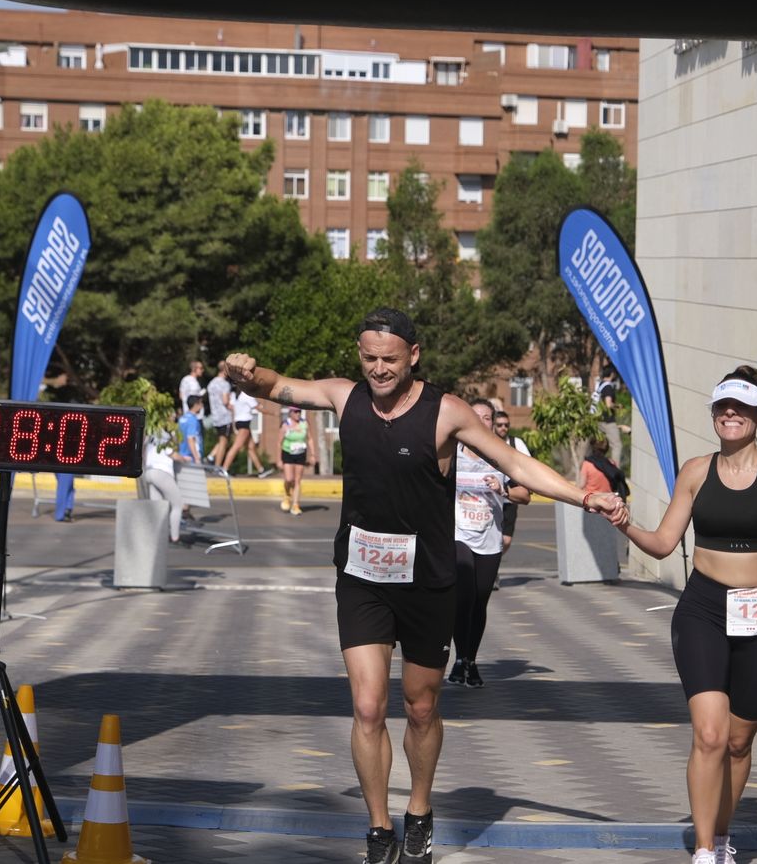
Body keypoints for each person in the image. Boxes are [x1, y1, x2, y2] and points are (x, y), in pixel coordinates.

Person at [223, 307, 624, 864]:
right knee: (367, 708)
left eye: (390, 359)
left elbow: (515, 464)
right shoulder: (345, 397)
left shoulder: (447, 412)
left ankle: (418, 809)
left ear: (414, 355)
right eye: (369, 358)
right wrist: (249, 371)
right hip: (362, 576)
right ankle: (380, 827)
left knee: (419, 708)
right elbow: (282, 388)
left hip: (428, 581)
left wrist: (586, 496)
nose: (379, 369)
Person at [614, 364, 757, 864]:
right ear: (714, 415)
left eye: (742, 407)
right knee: (708, 734)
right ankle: (704, 851)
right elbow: (665, 543)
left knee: (736, 741)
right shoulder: (694, 472)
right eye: (723, 407)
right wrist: (625, 524)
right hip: (703, 611)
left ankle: (724, 838)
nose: (732, 414)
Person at [448, 399, 530, 688]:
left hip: (489, 537)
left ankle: (470, 659)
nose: (481, 421)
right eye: (477, 416)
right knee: (465, 594)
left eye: (487, 418)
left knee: (480, 598)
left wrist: (503, 489)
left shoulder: (500, 456)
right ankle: (458, 659)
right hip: (459, 535)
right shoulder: (453, 453)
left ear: (493, 424)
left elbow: (525, 494)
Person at [141, 417, 185, 545]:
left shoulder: (151, 432)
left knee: (158, 507)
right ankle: (175, 538)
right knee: (177, 504)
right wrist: (185, 459)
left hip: (149, 470)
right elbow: (172, 453)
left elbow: (143, 451)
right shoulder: (166, 434)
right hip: (162, 472)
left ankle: (157, 536)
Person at [492, 410, 528, 557]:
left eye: (506, 425)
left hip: (509, 497)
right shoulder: (488, 443)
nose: (503, 428)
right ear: (493, 425)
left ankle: (495, 562)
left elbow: (528, 465)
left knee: (506, 540)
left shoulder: (516, 443)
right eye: (500, 425)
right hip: (492, 498)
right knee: (491, 536)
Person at [278, 406, 315, 516]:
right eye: (296, 411)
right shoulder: (285, 424)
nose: (298, 413)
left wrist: (313, 454)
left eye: (299, 411)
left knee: (297, 480)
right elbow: (279, 442)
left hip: (300, 453)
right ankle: (286, 495)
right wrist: (278, 459)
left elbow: (310, 439)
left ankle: (295, 505)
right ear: (290, 413)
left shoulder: (305, 424)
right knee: (289, 479)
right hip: (288, 453)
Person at [224, 388, 265, 475]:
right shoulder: (247, 395)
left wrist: (234, 425)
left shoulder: (234, 395)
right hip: (244, 424)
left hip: (240, 423)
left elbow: (232, 410)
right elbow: (259, 408)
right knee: (236, 447)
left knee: (251, 447)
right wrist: (273, 413)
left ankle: (261, 470)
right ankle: (224, 469)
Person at [591, 365, 626, 464]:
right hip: (608, 421)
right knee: (616, 445)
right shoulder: (608, 387)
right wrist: (618, 406)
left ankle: (597, 466)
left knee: (599, 445)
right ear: (612, 374)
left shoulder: (600, 385)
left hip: (598, 419)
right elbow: (608, 404)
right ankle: (614, 470)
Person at [581, 434, 629, 503]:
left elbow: (581, 485)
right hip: (608, 501)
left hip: (591, 501)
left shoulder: (587, 464)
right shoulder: (611, 463)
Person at [205, 368, 234, 467]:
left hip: (215, 416)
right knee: (224, 443)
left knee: (222, 440)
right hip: (225, 416)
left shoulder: (211, 383)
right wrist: (233, 407)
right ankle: (217, 467)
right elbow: (225, 401)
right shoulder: (225, 384)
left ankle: (210, 457)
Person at [177, 394, 205, 463]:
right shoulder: (193, 420)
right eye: (200, 403)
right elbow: (191, 439)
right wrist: (197, 458)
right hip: (191, 458)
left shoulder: (182, 418)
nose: (202, 406)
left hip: (182, 455)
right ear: (195, 405)